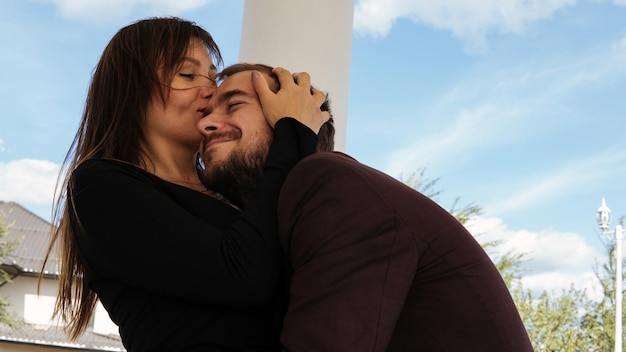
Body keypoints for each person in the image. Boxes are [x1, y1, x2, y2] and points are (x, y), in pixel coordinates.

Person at [198, 64, 534, 351]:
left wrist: (294, 132)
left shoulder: (329, 182)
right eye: (207, 112)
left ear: (288, 117)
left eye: (234, 104)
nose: (205, 124)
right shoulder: (276, 231)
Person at [41, 17, 329, 352]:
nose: (210, 89)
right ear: (131, 90)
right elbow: (242, 274)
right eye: (188, 75)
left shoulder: (230, 189)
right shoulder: (99, 185)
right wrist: (293, 130)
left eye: (211, 74)